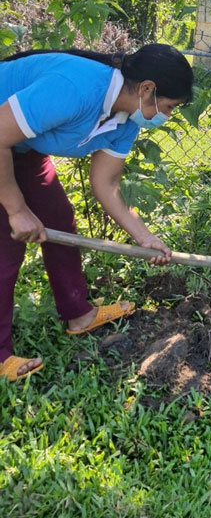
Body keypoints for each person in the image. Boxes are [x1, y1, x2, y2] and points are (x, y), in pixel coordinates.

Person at [0, 44, 193, 381]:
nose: (169, 115)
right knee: (6, 244)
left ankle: (79, 314)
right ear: (147, 89)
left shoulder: (127, 119)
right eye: (170, 107)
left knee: (59, 220)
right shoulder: (75, 87)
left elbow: (106, 184)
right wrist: (16, 209)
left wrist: (145, 238)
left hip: (19, 148)